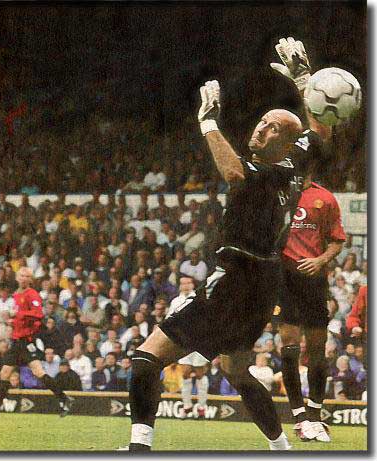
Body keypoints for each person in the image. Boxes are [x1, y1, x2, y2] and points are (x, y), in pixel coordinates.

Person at [125, 79, 307, 451]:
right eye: (263, 121)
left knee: (146, 359)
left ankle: (139, 449)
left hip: (235, 283)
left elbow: (235, 174)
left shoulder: (264, 173)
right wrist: (306, 86)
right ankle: (282, 450)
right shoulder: (294, 167)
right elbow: (316, 133)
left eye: (274, 127)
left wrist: (208, 123)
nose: (262, 127)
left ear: (285, 143)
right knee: (237, 370)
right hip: (262, 287)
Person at [269, 36, 346, 443]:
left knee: (317, 347)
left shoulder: (320, 196)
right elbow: (319, 136)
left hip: (312, 276)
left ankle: (316, 414)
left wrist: (305, 83)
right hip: (283, 274)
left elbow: (322, 137)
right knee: (288, 347)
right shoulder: (274, 179)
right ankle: (298, 413)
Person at [0, 267, 73, 417]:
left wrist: (19, 314)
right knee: (4, 373)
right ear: (17, 278)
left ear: (30, 280)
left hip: (26, 341)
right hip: (17, 341)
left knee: (38, 372)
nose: (23, 278)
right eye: (21, 275)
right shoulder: (16, 295)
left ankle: (64, 398)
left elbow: (38, 314)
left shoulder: (32, 294)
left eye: (26, 276)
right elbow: (21, 318)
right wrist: (13, 321)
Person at [167, 276, 209, 418]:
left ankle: (202, 406)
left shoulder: (199, 298)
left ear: (192, 284)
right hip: (183, 341)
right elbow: (169, 320)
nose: (185, 285)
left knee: (199, 373)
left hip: (199, 340)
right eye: (182, 283)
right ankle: (187, 406)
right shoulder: (176, 301)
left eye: (188, 283)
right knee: (185, 372)